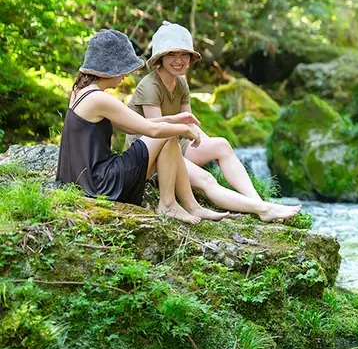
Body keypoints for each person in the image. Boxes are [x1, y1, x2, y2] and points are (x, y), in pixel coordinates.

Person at [125, 22, 300, 222]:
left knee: (221, 145)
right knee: (206, 179)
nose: (178, 60)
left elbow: (189, 122)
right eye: (172, 54)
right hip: (152, 156)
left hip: (174, 144)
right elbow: (156, 131)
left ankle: (257, 201)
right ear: (160, 57)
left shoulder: (180, 83)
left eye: (184, 54)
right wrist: (188, 135)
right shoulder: (149, 86)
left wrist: (206, 143)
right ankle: (263, 210)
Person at [57, 29, 229, 224]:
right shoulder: (99, 99)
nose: (125, 76)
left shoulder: (80, 91)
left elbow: (132, 127)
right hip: (101, 183)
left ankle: (189, 206)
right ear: (110, 68)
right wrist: (185, 130)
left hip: (85, 179)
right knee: (168, 136)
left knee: (168, 137)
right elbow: (152, 131)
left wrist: (174, 120)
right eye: (123, 70)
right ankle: (169, 205)